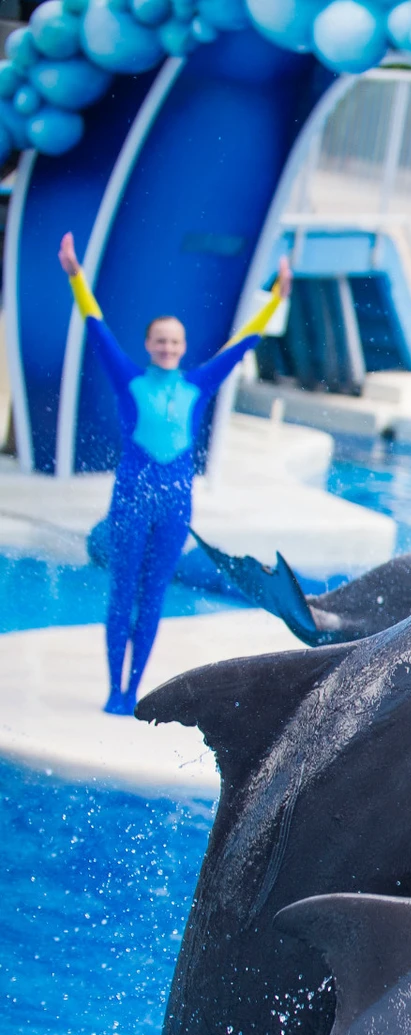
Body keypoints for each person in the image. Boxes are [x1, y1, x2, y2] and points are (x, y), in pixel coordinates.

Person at [59, 232, 291, 715]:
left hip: (175, 502)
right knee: (123, 592)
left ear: (184, 347)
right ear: (148, 345)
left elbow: (241, 343)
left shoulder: (198, 382)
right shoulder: (130, 380)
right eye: (160, 340)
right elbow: (96, 326)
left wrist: (275, 300)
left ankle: (135, 686)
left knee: (155, 596)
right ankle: (113, 689)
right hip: (131, 497)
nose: (167, 347)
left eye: (175, 341)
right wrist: (76, 275)